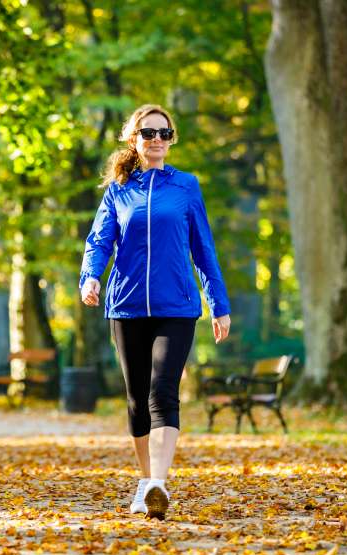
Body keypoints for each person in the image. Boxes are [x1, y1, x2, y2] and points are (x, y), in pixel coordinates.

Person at [79, 104, 231, 520]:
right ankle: (146, 481)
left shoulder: (185, 187)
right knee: (137, 401)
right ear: (134, 140)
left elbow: (203, 249)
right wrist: (90, 277)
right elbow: (99, 241)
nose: (158, 140)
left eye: (165, 133)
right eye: (149, 133)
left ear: (171, 139)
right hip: (126, 306)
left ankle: (160, 483)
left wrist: (218, 303)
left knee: (163, 391)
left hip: (177, 306)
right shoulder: (118, 190)